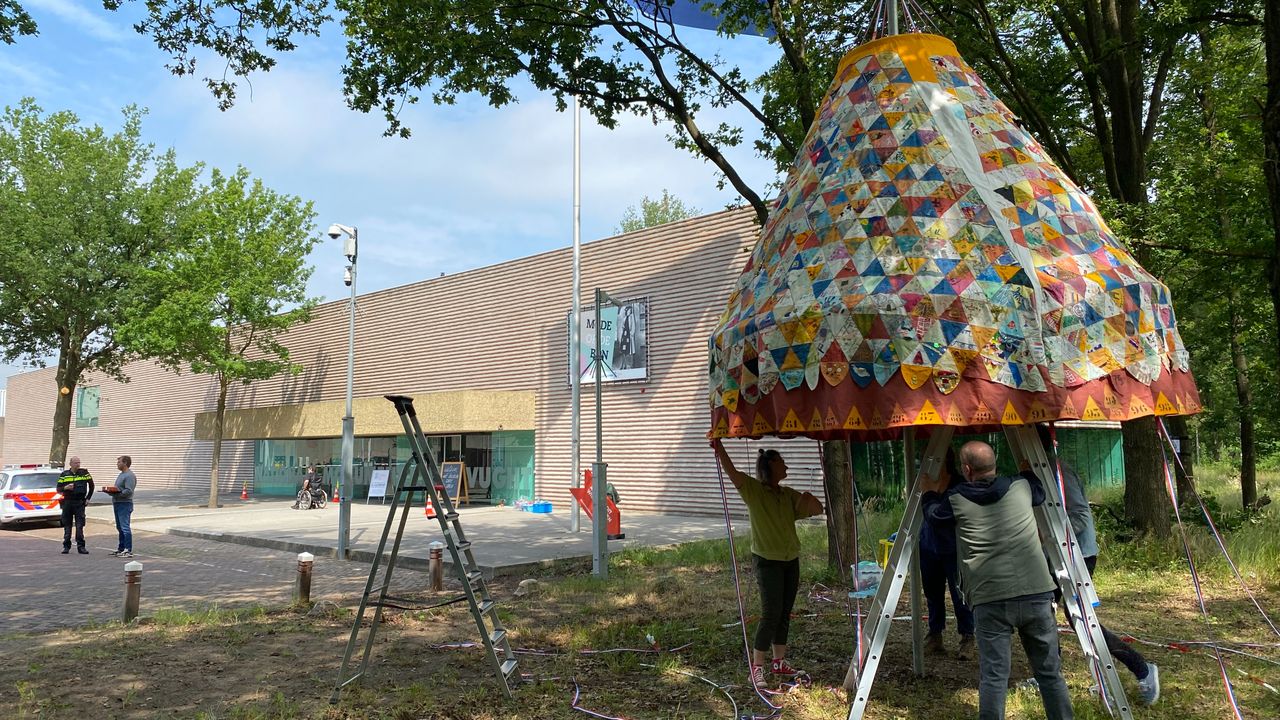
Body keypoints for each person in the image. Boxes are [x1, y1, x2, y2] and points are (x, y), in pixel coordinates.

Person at [921, 441, 1072, 720]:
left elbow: (933, 516)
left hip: (990, 598)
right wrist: (1027, 470)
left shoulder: (955, 500)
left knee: (994, 677)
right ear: (995, 463)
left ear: (966, 470)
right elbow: (1039, 491)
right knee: (1050, 674)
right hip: (1036, 592)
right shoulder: (1022, 487)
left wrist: (929, 492)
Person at [1037, 426, 1160, 705]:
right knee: (1042, 614)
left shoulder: (1059, 472)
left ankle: (1142, 669)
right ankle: (1049, 676)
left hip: (1077, 555)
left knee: (1081, 619)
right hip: (1053, 554)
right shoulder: (1037, 472)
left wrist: (1047, 534)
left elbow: (1080, 515)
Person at [711, 439, 825, 687]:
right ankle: (757, 668)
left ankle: (779, 662)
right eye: (782, 462)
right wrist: (719, 447)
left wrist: (808, 498)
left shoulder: (787, 494)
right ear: (771, 464)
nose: (786, 467)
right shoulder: (754, 491)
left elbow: (818, 509)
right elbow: (732, 472)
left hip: (790, 560)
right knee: (770, 613)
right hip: (767, 561)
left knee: (784, 612)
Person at [920, 448, 975, 658]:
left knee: (960, 594)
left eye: (934, 459)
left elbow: (943, 515)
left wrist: (931, 495)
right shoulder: (924, 483)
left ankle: (967, 637)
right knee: (932, 593)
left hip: (953, 548)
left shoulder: (959, 486)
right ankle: (935, 635)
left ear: (945, 461)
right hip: (928, 545)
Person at [57, 456, 95, 555]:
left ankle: (81, 547)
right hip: (67, 502)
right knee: (67, 525)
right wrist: (66, 487)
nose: (78, 465)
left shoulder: (84, 473)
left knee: (79, 525)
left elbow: (92, 486)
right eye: (75, 463)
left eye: (79, 462)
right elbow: (58, 489)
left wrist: (88, 498)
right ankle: (66, 546)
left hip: (79, 502)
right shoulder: (64, 474)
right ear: (70, 464)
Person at [104, 456, 137, 558]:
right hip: (117, 502)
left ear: (125, 463)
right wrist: (111, 491)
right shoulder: (121, 474)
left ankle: (128, 550)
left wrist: (117, 494)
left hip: (124, 503)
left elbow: (129, 491)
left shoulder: (129, 475)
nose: (117, 464)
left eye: (119, 462)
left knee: (125, 527)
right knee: (119, 527)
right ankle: (121, 548)